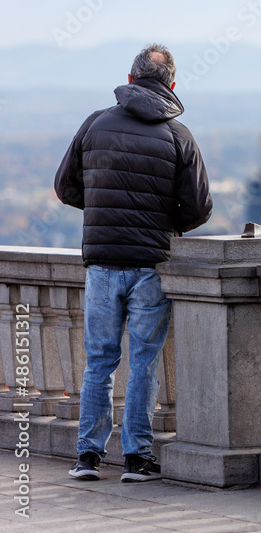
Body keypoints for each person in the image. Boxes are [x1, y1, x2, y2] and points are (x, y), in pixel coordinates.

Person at [54, 43, 213, 482]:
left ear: (129, 79)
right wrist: (162, 222)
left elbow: (65, 187)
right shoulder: (179, 136)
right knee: (143, 362)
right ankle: (136, 459)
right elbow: (199, 208)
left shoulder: (96, 123)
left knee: (99, 362)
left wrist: (105, 210)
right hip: (150, 264)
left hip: (102, 264)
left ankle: (87, 456)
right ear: (173, 85)